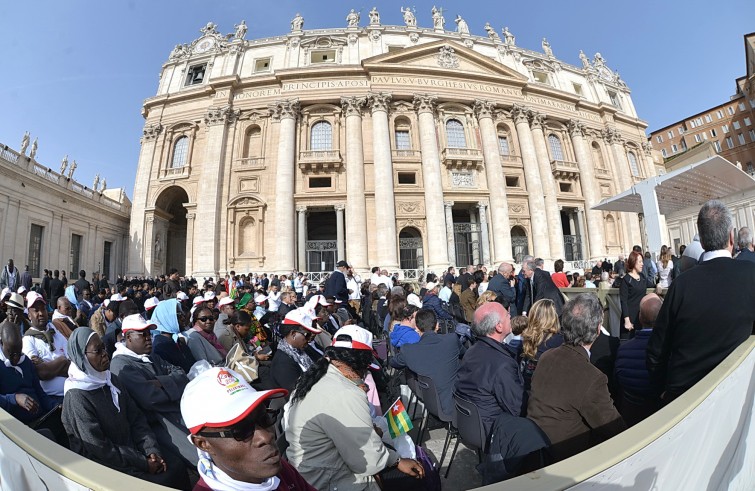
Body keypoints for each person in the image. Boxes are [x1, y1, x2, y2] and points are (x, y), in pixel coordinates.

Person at [286, 325, 425, 490]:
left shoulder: (319, 375)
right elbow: (370, 461)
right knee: (414, 476)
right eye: (366, 368)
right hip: (327, 480)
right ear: (361, 362)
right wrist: (397, 460)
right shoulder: (346, 392)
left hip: (310, 471)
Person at [647, 200, 755, 403]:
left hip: (685, 399)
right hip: (736, 393)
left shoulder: (681, 285)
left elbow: (656, 351)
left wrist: (661, 392)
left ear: (702, 241)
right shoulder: (751, 275)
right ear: (731, 237)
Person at [62, 327, 188, 488]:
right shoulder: (77, 396)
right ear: (82, 357)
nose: (104, 353)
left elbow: (136, 419)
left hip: (133, 450)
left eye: (104, 348)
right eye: (98, 351)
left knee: (176, 466)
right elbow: (100, 448)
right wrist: (143, 462)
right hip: (105, 465)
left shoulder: (110, 380)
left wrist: (151, 451)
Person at [526, 294, 626, 462]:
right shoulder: (592, 377)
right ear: (597, 330)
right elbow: (613, 428)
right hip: (568, 458)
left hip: (536, 445)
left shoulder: (547, 356)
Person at [180, 366, 314, 491]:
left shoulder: (276, 468)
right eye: (241, 431)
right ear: (203, 444)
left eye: (265, 419)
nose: (265, 437)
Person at [110, 314, 197, 467]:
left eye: (149, 333)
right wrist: (172, 386)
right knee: (199, 457)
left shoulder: (150, 356)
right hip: (158, 424)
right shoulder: (121, 365)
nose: (148, 338)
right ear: (129, 337)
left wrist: (160, 382)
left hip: (176, 411)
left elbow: (181, 374)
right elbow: (150, 398)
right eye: (142, 334)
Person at [455, 302, 524, 437]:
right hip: (493, 430)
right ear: (499, 326)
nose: (510, 316)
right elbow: (517, 408)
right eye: (507, 315)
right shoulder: (502, 364)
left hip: (471, 425)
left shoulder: (471, 351)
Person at [391, 309, 460, 416]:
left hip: (427, 402)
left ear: (417, 328)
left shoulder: (409, 350)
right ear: (437, 325)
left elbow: (393, 363)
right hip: (454, 406)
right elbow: (465, 354)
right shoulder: (452, 340)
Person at [615, 294, 663, 426]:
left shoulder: (623, 350)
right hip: (660, 413)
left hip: (631, 414)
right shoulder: (670, 348)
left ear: (640, 318)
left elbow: (619, 380)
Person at [0, 320, 59, 425]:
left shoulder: (25, 361)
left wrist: (55, 406)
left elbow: (40, 393)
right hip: (17, 426)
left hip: (41, 418)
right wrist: (15, 398)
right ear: (1, 343)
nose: (17, 358)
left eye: (19, 352)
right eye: (12, 354)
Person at [22, 292, 70, 404]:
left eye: (43, 309)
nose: (41, 313)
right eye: (36, 310)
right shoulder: (28, 340)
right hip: (51, 399)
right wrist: (63, 360)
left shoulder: (55, 332)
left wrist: (51, 366)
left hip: (70, 392)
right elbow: (41, 372)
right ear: (29, 315)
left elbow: (73, 365)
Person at [270, 308, 323, 392]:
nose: (309, 339)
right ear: (293, 334)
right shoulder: (283, 362)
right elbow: (296, 393)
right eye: (307, 335)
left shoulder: (304, 348)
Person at [519, 299, 563, 392]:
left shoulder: (526, 338)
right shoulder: (559, 340)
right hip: (548, 390)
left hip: (527, 387)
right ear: (553, 317)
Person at [152, 299, 196, 373]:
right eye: (179, 315)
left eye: (182, 314)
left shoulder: (177, 341)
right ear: (167, 318)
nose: (183, 318)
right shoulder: (160, 347)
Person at [619, 250, 648, 339]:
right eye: (639, 262)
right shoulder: (626, 280)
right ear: (633, 262)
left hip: (641, 318)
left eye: (642, 261)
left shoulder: (642, 277)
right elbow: (623, 301)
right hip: (630, 319)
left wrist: (658, 285)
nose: (642, 264)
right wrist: (627, 320)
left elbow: (651, 284)